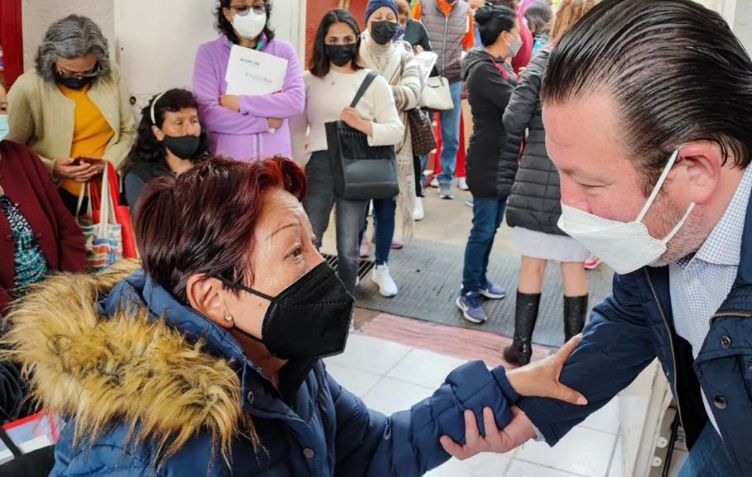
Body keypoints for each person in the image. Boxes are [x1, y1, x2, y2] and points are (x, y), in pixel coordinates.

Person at [441, 0, 752, 474]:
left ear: (695, 171)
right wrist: (538, 407)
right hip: (729, 434)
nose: (568, 207)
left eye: (589, 184)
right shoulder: (673, 210)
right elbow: (639, 310)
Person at [0, 156, 587, 475]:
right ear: (211, 296)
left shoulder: (276, 356)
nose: (323, 266)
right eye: (294, 252)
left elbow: (371, 448)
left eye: (314, 243)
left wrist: (502, 392)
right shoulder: (154, 448)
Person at [501, 0, 595, 366]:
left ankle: (520, 347)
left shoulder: (542, 62)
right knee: (573, 268)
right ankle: (573, 354)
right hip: (580, 185)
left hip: (536, 179)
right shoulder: (601, 67)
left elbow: (513, 120)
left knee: (532, 265)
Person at [291, 10, 404, 293]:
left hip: (357, 169)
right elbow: (295, 131)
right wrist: (297, 166)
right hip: (318, 167)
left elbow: (395, 130)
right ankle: (308, 300)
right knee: (309, 238)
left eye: (347, 39)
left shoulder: (373, 82)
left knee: (348, 246)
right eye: (333, 39)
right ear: (323, 42)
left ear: (356, 41)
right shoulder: (307, 80)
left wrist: (364, 125)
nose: (340, 45)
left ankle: (345, 308)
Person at [6, 15, 136, 214]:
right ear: (50, 58)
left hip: (106, 191)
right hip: (52, 194)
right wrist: (53, 167)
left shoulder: (110, 72)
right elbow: (10, 152)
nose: (80, 78)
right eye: (69, 72)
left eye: (88, 71)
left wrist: (109, 162)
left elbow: (128, 131)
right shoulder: (27, 88)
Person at [0, 139, 86, 420]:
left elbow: (65, 228)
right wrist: (23, 321)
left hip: (57, 297)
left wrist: (69, 289)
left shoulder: (20, 156)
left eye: (2, 108)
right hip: (10, 320)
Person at [455, 4, 522, 324]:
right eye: (517, 32)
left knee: (492, 227)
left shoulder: (498, 65)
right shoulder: (483, 70)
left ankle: (480, 280)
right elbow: (516, 103)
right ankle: (467, 290)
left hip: (504, 156)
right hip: (487, 160)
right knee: (481, 230)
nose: (521, 37)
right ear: (506, 35)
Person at [357, 0, 422, 297]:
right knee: (356, 206)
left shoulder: (406, 54)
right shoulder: (353, 51)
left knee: (386, 207)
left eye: (390, 17)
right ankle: (353, 261)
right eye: (378, 16)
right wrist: (388, 94)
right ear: (367, 20)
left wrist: (376, 92)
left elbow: (413, 94)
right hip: (357, 142)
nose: (384, 22)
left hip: (394, 144)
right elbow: (346, 91)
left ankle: (382, 266)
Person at [193, 0, 305, 162]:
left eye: (258, 6)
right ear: (227, 13)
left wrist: (240, 103)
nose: (251, 14)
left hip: (276, 162)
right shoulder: (208, 53)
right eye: (242, 8)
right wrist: (265, 122)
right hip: (229, 165)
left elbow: (294, 102)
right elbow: (209, 115)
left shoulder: (284, 51)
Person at [412, 0, 476, 199]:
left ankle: (445, 178)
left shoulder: (466, 11)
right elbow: (410, 36)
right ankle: (419, 179)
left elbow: (468, 43)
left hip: (453, 80)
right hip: (426, 78)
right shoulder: (422, 5)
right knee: (422, 132)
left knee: (452, 136)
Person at [123, 89, 209, 213]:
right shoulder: (139, 177)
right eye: (179, 123)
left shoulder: (211, 170)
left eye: (194, 121)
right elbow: (147, 225)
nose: (189, 130)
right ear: (157, 132)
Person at [397, 0, 433, 220]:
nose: (397, 25)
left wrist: (420, 54)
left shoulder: (417, 29)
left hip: (411, 103)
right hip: (385, 105)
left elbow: (432, 64)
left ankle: (416, 196)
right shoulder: (371, 35)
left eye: (402, 20)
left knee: (415, 154)